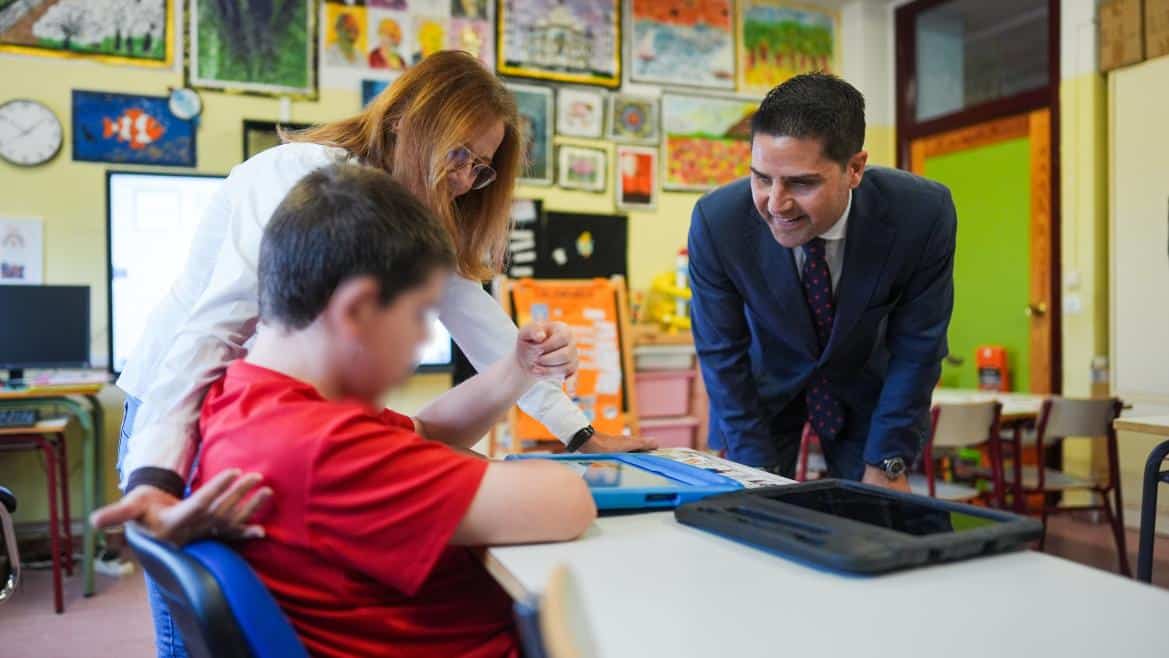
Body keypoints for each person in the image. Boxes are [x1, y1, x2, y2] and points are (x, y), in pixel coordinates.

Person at [91, 51, 651, 658]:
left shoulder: (405, 216)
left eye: (481, 168)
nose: (466, 179)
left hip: (258, 411)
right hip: (187, 400)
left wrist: (577, 432)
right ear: (406, 122)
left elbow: (479, 322)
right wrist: (157, 477)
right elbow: (214, 330)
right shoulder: (306, 179)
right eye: (460, 155)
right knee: (197, 625)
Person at [192, 164, 595, 658]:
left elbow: (424, 430)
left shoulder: (247, 400)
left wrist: (518, 368)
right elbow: (569, 501)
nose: (422, 341)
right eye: (420, 315)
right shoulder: (324, 447)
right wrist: (468, 468)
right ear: (358, 309)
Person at [688, 73, 957, 490]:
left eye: (801, 182)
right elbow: (721, 353)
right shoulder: (717, 222)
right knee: (754, 511)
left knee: (874, 515)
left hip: (864, 392)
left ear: (855, 168)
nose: (776, 204)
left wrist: (887, 461)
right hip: (761, 394)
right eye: (761, 178)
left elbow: (919, 346)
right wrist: (753, 474)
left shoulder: (922, 214)